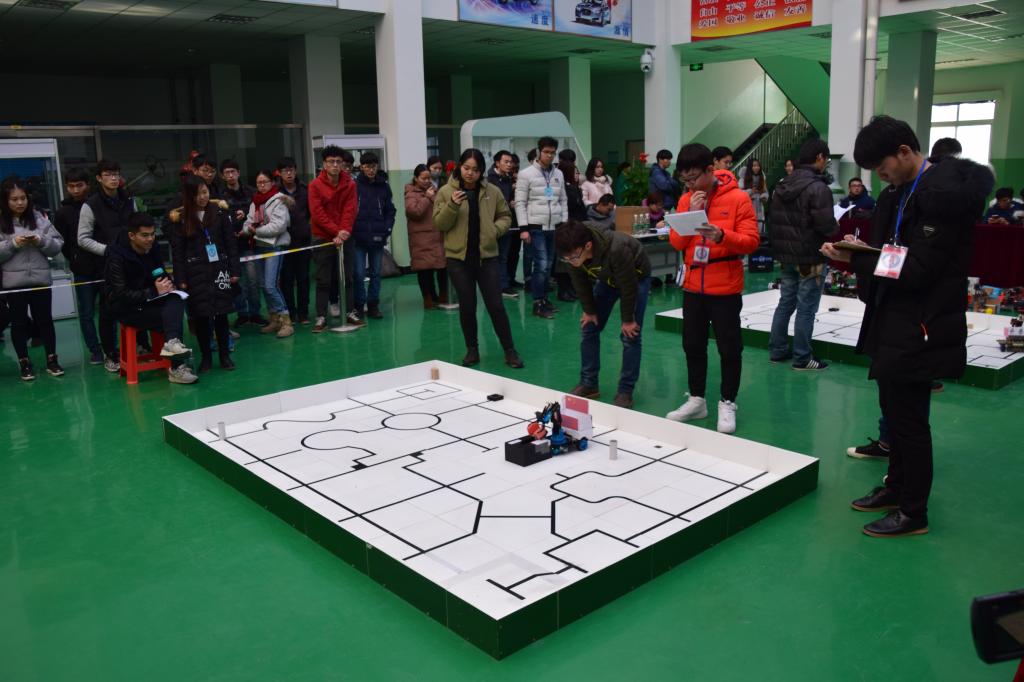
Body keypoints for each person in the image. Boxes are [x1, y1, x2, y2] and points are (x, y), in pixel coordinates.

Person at [821, 115, 994, 537]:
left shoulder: (943, 197)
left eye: (882, 167)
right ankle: (895, 486)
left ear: (904, 152)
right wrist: (861, 251)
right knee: (894, 413)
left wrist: (858, 260)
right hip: (893, 316)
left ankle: (914, 512)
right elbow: (896, 252)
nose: (880, 176)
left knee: (911, 422)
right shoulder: (899, 194)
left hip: (922, 321)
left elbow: (917, 268)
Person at [665, 144, 760, 434]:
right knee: (692, 345)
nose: (690, 185)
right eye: (685, 180)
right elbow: (676, 243)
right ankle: (697, 400)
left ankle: (728, 402)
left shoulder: (738, 198)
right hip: (694, 285)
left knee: (729, 348)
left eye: (694, 178)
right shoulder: (686, 199)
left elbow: (751, 241)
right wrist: (690, 213)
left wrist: (722, 235)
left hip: (725, 287)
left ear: (710, 170)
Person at [434, 148, 524, 369]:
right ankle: (472, 349)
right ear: (459, 167)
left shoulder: (492, 191)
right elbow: (440, 224)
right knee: (467, 305)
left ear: (481, 170)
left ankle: (510, 350)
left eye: (475, 170)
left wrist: (494, 230)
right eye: (466, 168)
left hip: (487, 257)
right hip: (458, 260)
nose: (470, 173)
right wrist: (452, 205)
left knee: (496, 305)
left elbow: (505, 216)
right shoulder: (446, 191)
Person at [556, 220, 651, 409]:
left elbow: (628, 287)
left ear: (588, 246)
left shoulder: (617, 248)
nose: (570, 261)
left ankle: (625, 391)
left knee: (631, 335)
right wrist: (589, 310)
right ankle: (589, 384)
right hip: (607, 279)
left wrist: (628, 320)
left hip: (635, 278)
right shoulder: (571, 252)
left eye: (573, 257)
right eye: (566, 258)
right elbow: (579, 282)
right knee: (589, 327)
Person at [768, 137, 839, 370]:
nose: (825, 163)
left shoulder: (781, 185)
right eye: (826, 159)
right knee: (806, 308)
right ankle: (802, 358)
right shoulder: (818, 188)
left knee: (785, 303)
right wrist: (837, 228)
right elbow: (825, 225)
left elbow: (773, 221)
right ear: (819, 157)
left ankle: (778, 350)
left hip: (785, 256)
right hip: (810, 257)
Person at [105, 213, 197, 384]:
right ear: (131, 235)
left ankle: (172, 345)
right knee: (171, 316)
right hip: (125, 308)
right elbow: (121, 294)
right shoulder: (116, 257)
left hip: (148, 302)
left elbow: (159, 271)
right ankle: (176, 366)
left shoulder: (153, 248)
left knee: (176, 299)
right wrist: (153, 292)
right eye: (145, 235)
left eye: (153, 234)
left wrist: (169, 285)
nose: (150, 239)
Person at [167, 175, 241, 372]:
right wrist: (181, 279)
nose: (202, 197)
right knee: (201, 318)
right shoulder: (181, 219)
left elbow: (231, 244)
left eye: (205, 192)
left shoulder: (220, 213)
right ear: (189, 196)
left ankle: (225, 356)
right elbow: (178, 253)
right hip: (195, 274)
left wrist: (234, 270)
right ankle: (206, 357)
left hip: (219, 270)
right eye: (197, 194)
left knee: (221, 315)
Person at [0, 178, 65, 380]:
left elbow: (57, 245)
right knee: (18, 324)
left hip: (40, 280)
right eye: (14, 199)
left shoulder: (40, 219)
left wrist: (41, 240)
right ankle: (24, 363)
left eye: (23, 198)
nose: (20, 203)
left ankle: (52, 360)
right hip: (14, 284)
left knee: (45, 321)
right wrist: (13, 244)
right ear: (5, 201)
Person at [77, 158, 136, 371]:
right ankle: (110, 353)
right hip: (105, 266)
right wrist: (107, 251)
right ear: (99, 178)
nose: (113, 178)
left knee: (136, 304)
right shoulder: (90, 205)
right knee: (107, 311)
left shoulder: (128, 200)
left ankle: (140, 346)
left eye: (116, 174)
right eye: (108, 174)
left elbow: (137, 227)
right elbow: (82, 239)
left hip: (131, 263)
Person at [54, 168, 105, 365]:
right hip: (82, 270)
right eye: (71, 186)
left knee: (108, 310)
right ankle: (95, 350)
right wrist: (75, 259)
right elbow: (62, 242)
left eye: (79, 185)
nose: (75, 190)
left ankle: (111, 347)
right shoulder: (63, 212)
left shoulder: (98, 205)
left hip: (104, 265)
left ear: (88, 185)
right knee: (86, 312)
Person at [515, 135, 567, 319]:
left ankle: (544, 299)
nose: (549, 155)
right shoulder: (526, 174)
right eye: (546, 152)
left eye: (553, 152)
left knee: (549, 265)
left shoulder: (558, 174)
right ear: (539, 152)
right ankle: (537, 303)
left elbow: (563, 200)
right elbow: (520, 203)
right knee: (541, 265)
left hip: (554, 226)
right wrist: (523, 228)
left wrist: (564, 224)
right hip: (535, 226)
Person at [308, 145, 357, 333]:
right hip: (323, 237)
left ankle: (350, 312)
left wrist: (343, 232)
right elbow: (317, 213)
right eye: (331, 161)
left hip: (345, 236)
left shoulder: (350, 184)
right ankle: (321, 316)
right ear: (324, 164)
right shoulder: (315, 185)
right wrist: (336, 232)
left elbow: (350, 210)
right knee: (323, 279)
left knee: (348, 277)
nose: (335, 165)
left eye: (338, 162)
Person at [242, 170, 294, 337]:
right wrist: (247, 229)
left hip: (274, 246)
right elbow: (248, 222)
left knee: (271, 285)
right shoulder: (255, 201)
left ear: (272, 182)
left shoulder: (279, 200)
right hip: (259, 247)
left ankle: (286, 321)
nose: (262, 185)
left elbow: (279, 226)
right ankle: (274, 319)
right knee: (264, 285)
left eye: (265, 181)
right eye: (259, 182)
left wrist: (255, 231)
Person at [351, 152, 395, 321]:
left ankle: (373, 305)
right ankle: (359, 305)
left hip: (377, 236)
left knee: (376, 272)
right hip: (358, 237)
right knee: (359, 273)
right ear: (361, 167)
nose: (371, 169)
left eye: (374, 166)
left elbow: (390, 210)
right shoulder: (354, 186)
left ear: (377, 167)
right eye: (367, 166)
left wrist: (387, 228)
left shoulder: (384, 186)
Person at [219, 159, 260, 328]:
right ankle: (242, 313)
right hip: (230, 246)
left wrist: (246, 216)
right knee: (236, 281)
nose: (230, 175)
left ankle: (255, 313)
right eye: (227, 173)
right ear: (222, 176)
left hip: (249, 244)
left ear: (238, 173)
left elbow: (259, 213)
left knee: (253, 281)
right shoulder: (220, 196)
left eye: (233, 172)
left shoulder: (251, 192)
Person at [405, 164, 448, 309]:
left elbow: (441, 208)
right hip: (421, 238)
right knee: (425, 270)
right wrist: (427, 198)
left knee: (442, 267)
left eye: (429, 178)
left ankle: (442, 296)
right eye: (423, 178)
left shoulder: (434, 190)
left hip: (437, 236)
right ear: (416, 178)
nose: (427, 181)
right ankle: (428, 299)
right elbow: (414, 212)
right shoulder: (410, 192)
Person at [276, 157, 312, 325]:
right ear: (280, 173)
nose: (289, 173)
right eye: (285, 170)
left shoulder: (305, 189)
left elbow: (311, 213)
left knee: (303, 279)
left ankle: (303, 313)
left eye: (291, 170)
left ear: (296, 171)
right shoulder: (275, 192)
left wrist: (307, 229)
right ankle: (290, 312)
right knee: (287, 280)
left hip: (303, 242)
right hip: (283, 243)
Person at [486, 150, 520, 299]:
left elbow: (507, 199)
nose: (509, 164)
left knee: (504, 256)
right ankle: (499, 285)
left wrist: (511, 202)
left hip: (507, 222)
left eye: (510, 162)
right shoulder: (490, 181)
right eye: (506, 162)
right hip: (494, 223)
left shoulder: (507, 179)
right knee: (496, 256)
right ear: (497, 163)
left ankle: (504, 284)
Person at [738, 158, 769, 234]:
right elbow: (739, 193)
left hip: (759, 207)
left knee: (759, 229)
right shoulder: (743, 178)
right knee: (748, 229)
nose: (756, 167)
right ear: (750, 167)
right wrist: (750, 191)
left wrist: (764, 196)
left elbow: (765, 191)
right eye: (754, 166)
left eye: (758, 166)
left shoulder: (762, 177)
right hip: (747, 206)